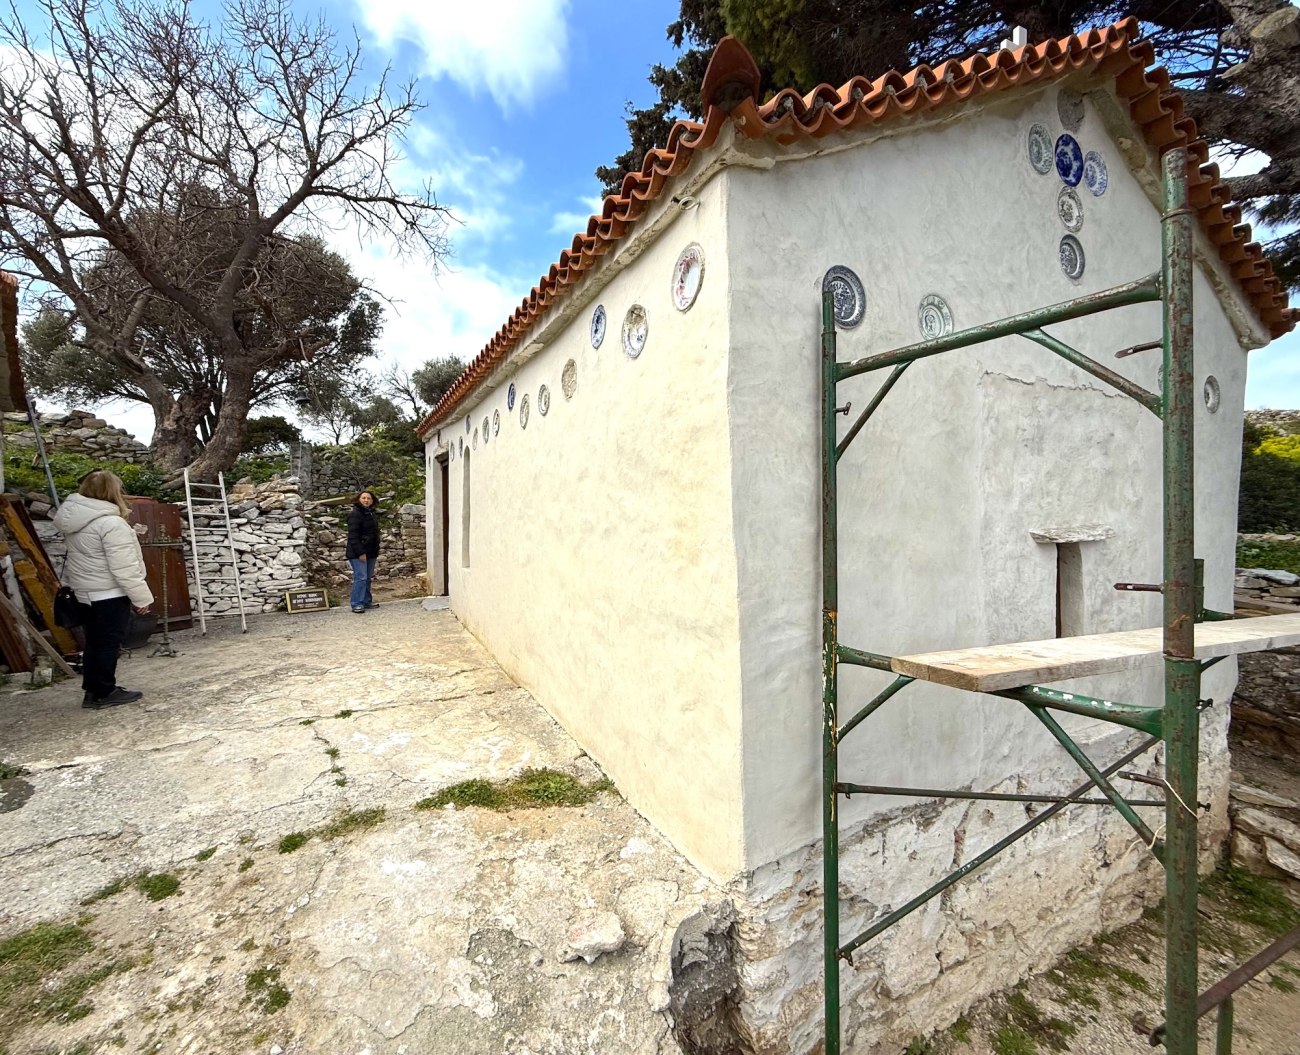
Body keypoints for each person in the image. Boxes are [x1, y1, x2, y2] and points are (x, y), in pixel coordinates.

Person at [51, 470, 153, 709]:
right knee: (108, 643)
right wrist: (141, 598)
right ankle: (105, 692)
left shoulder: (76, 521)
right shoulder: (111, 523)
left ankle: (93, 690)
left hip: (87, 593)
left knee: (95, 643)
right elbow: (124, 568)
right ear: (112, 491)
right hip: (109, 593)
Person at [346, 489, 380, 614]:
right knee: (361, 578)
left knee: (368, 578)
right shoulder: (355, 514)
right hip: (358, 552)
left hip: (371, 551)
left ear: (372, 501)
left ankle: (366, 601)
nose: (366, 500)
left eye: (369, 498)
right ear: (359, 500)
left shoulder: (371, 513)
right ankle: (356, 603)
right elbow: (353, 536)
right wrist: (360, 552)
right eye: (364, 498)